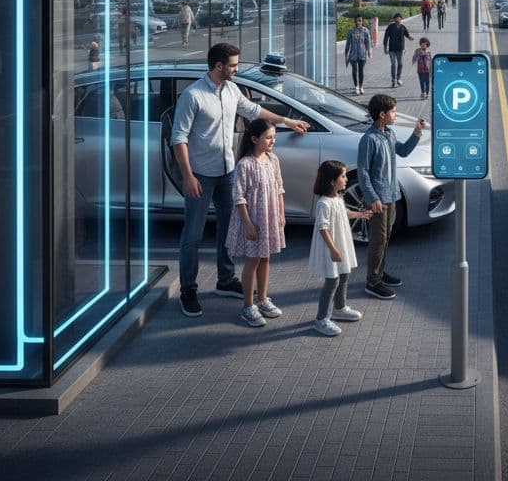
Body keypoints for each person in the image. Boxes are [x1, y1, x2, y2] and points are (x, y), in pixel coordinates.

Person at [170, 42, 310, 319]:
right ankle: (188, 290)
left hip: (227, 171)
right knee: (193, 235)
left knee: (229, 228)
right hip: (200, 173)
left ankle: (225, 279)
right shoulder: (193, 95)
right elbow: (179, 138)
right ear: (219, 66)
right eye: (233, 65)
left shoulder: (231, 90)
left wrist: (286, 121)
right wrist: (187, 175)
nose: (237, 68)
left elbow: (254, 111)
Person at [357, 93, 426, 299]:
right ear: (382, 114)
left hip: (391, 196)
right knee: (378, 240)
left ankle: (380, 273)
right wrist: (372, 198)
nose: (395, 115)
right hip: (378, 199)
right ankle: (373, 281)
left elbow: (404, 152)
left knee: (386, 238)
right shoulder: (368, 140)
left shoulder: (389, 134)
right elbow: (363, 172)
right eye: (393, 112)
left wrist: (417, 133)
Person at [225, 119, 286, 328]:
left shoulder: (272, 160)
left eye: (273, 137)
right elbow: (239, 196)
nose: (272, 141)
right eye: (268, 137)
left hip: (268, 217)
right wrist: (247, 223)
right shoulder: (245, 164)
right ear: (254, 139)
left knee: (265, 258)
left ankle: (262, 298)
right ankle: (248, 305)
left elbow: (279, 187)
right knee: (253, 260)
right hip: (253, 218)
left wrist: (280, 212)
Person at [308, 159, 371, 336]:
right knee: (332, 281)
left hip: (341, 242)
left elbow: (343, 213)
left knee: (344, 274)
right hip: (332, 247)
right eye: (343, 176)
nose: (346, 179)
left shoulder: (337, 198)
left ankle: (340, 308)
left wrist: (361, 214)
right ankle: (321, 319)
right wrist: (333, 249)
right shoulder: (323, 203)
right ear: (332, 181)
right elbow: (323, 227)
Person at [382, 13, 413, 88]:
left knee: (400, 64)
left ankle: (398, 78)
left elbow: (407, 34)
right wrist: (385, 47)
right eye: (396, 19)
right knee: (393, 64)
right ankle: (393, 80)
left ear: (401, 19)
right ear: (394, 20)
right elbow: (386, 37)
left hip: (400, 49)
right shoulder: (390, 27)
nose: (398, 20)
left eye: (399, 19)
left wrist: (410, 37)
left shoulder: (403, 27)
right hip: (392, 49)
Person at [344, 15, 372, 95]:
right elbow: (348, 43)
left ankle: (361, 86)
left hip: (362, 54)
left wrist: (369, 51)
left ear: (362, 21)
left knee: (361, 71)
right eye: (357, 20)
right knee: (354, 70)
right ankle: (356, 87)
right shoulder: (351, 31)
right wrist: (346, 53)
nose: (358, 22)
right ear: (355, 21)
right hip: (353, 54)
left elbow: (368, 42)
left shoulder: (365, 30)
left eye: (360, 20)